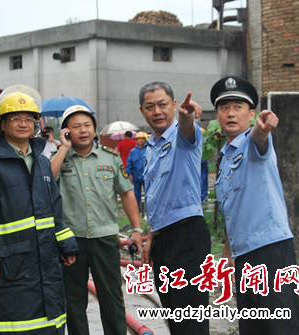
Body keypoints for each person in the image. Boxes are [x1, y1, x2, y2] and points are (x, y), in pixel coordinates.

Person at [0, 87, 78, 335]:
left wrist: (65, 244)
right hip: (10, 265)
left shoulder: (43, 162)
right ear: (1, 125)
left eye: (29, 119)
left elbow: (54, 207)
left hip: (46, 262)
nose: (23, 124)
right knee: (17, 325)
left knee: (52, 323)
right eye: (15, 118)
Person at [211, 76, 299, 335]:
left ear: (251, 114)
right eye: (224, 107)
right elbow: (232, 212)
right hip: (243, 257)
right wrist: (228, 257)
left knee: (281, 328)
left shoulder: (254, 144)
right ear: (217, 115)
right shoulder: (224, 159)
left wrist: (263, 129)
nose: (230, 113)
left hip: (271, 251)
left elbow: (259, 137)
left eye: (238, 107)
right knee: (253, 328)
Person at [51, 105, 143, 335]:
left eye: (87, 125)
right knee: (73, 301)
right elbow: (48, 182)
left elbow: (127, 193)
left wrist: (137, 229)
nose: (82, 130)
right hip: (70, 241)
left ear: (94, 130)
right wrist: (63, 148)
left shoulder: (110, 158)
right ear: (66, 132)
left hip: (104, 239)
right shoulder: (59, 159)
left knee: (111, 298)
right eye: (75, 127)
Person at [139, 81, 210, 334]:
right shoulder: (150, 147)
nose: (157, 111)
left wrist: (187, 116)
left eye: (162, 104)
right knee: (173, 314)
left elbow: (188, 128)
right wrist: (150, 237)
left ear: (173, 105)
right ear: (142, 111)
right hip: (162, 239)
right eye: (150, 106)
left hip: (187, 235)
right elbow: (156, 197)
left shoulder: (183, 136)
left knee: (190, 317)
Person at [126, 131, 147, 215]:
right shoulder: (133, 151)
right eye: (139, 139)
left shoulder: (148, 150)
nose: (141, 141)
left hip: (146, 175)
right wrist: (129, 173)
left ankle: (147, 210)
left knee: (148, 194)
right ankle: (137, 210)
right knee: (136, 194)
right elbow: (129, 162)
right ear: (136, 140)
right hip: (136, 175)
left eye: (143, 139)